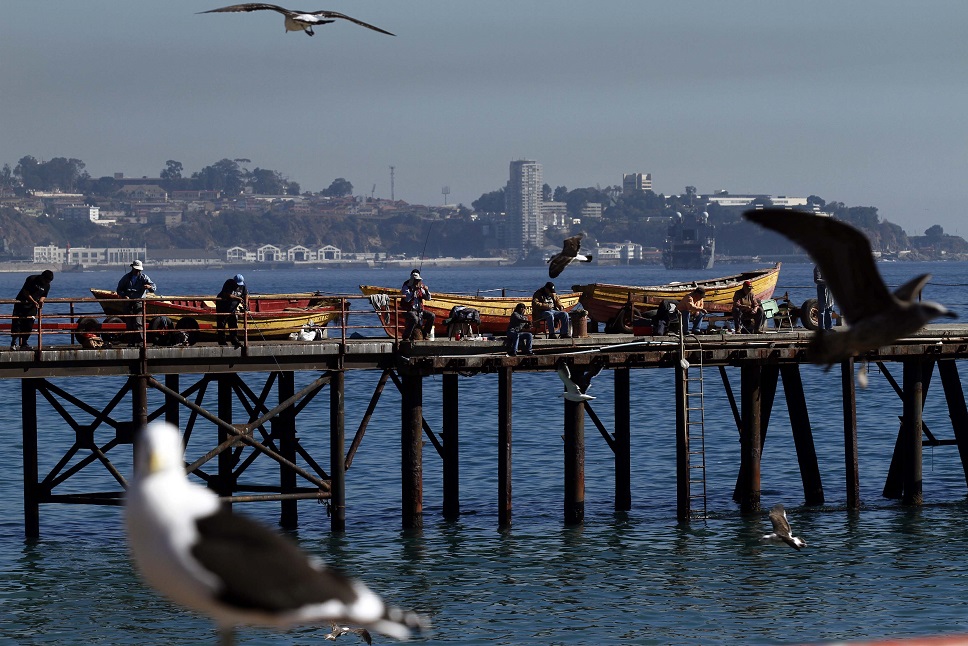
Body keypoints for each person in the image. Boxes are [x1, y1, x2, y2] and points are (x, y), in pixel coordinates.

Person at [10, 270, 53, 350]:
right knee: (17, 322)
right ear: (42, 277)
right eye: (46, 280)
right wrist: (33, 301)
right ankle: (13, 342)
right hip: (21, 302)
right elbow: (25, 292)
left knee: (29, 324)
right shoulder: (32, 279)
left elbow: (44, 295)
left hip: (33, 306)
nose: (47, 282)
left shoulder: (47, 285)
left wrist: (41, 301)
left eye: (49, 281)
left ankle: (24, 343)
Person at [117, 260, 156, 333]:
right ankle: (131, 341)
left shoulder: (144, 277)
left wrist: (149, 287)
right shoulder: (126, 277)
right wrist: (124, 295)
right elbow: (119, 289)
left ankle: (140, 341)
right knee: (129, 323)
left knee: (138, 322)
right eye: (136, 269)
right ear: (132, 268)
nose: (137, 271)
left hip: (139, 302)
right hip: (128, 302)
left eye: (138, 270)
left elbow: (153, 287)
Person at [216, 274, 249, 348]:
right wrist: (238, 298)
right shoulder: (228, 283)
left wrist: (246, 304)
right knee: (221, 324)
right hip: (223, 307)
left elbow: (246, 294)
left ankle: (234, 340)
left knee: (233, 324)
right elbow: (227, 294)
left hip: (233, 308)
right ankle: (222, 341)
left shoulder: (243, 285)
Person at [401, 269, 435, 340]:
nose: (418, 282)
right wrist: (413, 291)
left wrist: (426, 290)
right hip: (408, 310)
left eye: (418, 280)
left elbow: (428, 298)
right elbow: (407, 299)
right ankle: (406, 336)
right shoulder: (406, 286)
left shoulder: (421, 287)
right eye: (416, 280)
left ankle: (425, 333)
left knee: (431, 316)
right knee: (414, 319)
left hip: (419, 310)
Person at [814, 265, 834, 330]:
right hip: (822, 289)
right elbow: (817, 280)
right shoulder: (818, 267)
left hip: (830, 290)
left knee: (830, 309)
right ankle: (821, 328)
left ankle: (829, 327)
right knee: (822, 310)